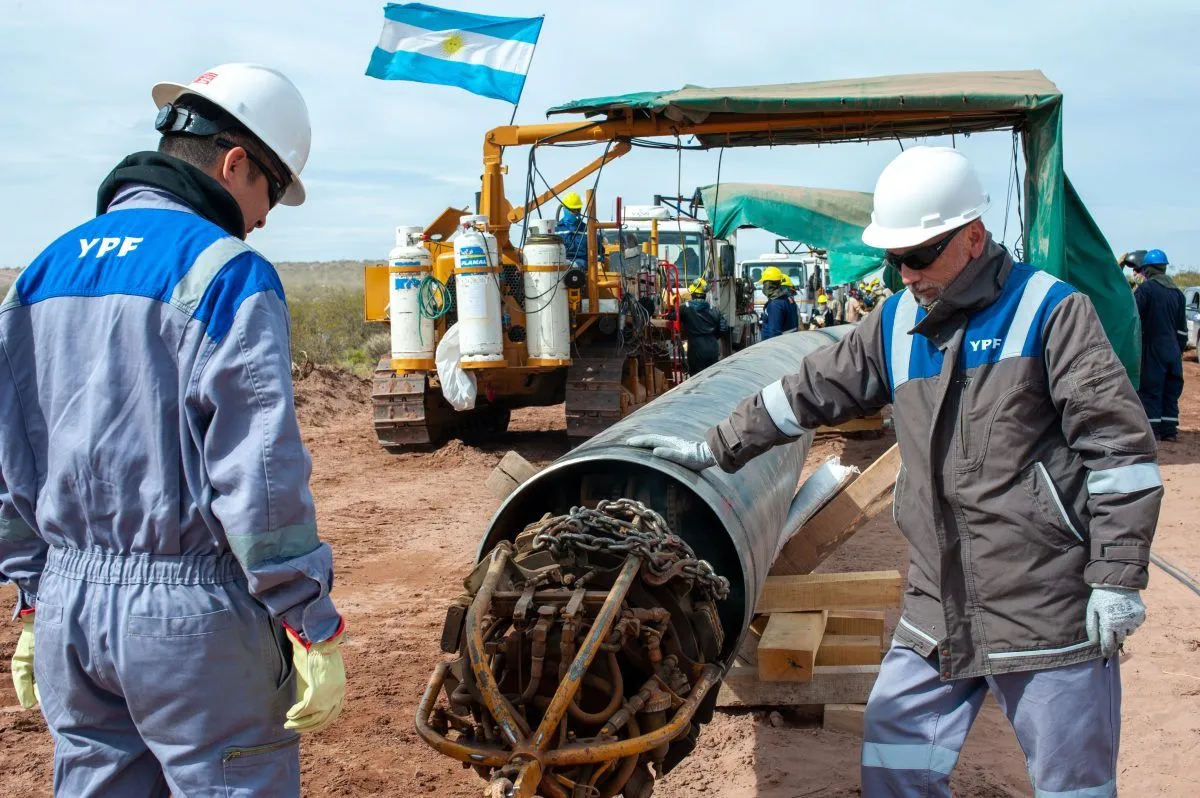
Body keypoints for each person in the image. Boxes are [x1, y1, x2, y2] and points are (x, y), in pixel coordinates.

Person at [629, 146, 1159, 798]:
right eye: (893, 257)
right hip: (937, 607)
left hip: (1043, 606)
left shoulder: (1050, 313)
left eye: (919, 255)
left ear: (972, 237)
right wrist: (715, 446)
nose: (904, 272)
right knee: (894, 767)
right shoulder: (897, 323)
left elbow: (1120, 453)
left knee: (1071, 786)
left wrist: (1116, 578)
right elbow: (806, 391)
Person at [1, 64, 346, 796]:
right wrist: (305, 612)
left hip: (69, 613)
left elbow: (11, 460)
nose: (263, 219)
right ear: (234, 164)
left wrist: (32, 594)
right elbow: (258, 472)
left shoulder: (39, 274)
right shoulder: (225, 273)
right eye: (271, 193)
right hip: (192, 624)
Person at [1127, 248, 1186, 441]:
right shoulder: (1177, 293)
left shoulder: (1146, 290)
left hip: (1154, 349)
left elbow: (1133, 317)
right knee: (1170, 391)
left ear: (1148, 270)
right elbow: (1182, 331)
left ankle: (1153, 432)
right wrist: (1177, 350)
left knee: (1151, 390)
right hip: (1174, 351)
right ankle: (1170, 431)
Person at [672, 278, 727, 375]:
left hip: (696, 348)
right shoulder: (713, 309)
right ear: (705, 295)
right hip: (712, 348)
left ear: (692, 294)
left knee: (696, 380)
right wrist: (712, 337)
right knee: (712, 376)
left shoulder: (685, 308)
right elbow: (723, 328)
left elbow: (672, 317)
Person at [759, 266, 798, 339]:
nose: (763, 287)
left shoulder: (775, 304)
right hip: (789, 342)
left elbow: (774, 332)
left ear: (769, 284)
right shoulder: (788, 299)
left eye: (764, 283)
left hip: (776, 345)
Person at [554, 191, 591, 267]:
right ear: (564, 209)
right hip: (561, 268)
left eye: (578, 210)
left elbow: (599, 251)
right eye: (572, 210)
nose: (575, 212)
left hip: (582, 269)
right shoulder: (556, 230)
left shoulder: (587, 229)